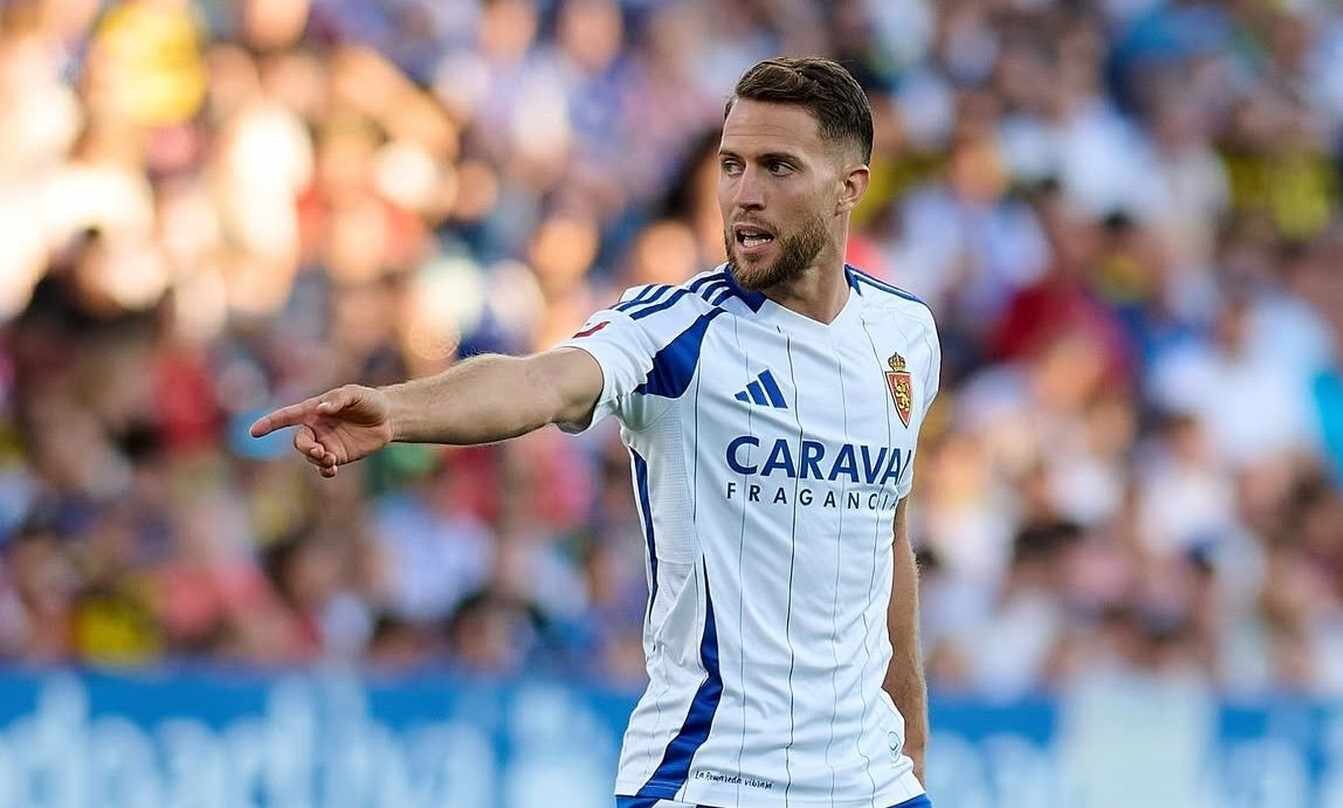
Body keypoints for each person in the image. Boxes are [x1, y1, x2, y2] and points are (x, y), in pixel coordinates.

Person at [252, 57, 938, 808]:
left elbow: (886, 539)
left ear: (849, 187)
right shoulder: (673, 330)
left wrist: (908, 742)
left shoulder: (904, 334)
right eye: (731, 165)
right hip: (713, 779)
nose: (744, 193)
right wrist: (399, 412)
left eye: (778, 167)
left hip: (872, 786)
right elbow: (541, 380)